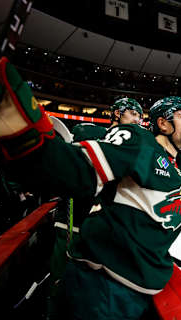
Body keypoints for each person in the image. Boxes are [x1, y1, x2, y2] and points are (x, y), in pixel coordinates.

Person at [0, 57, 181, 319]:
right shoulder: (139, 141)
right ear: (163, 123)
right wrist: (18, 129)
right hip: (100, 284)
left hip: (142, 289)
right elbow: (76, 169)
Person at [46, 98, 144, 319]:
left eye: (140, 116)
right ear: (117, 114)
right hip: (74, 222)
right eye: (133, 114)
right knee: (61, 283)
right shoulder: (90, 131)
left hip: (105, 232)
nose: (138, 119)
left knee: (89, 294)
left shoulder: (135, 146)